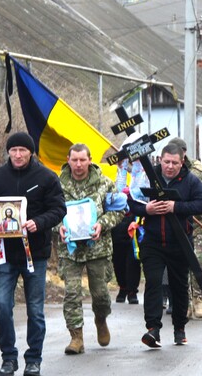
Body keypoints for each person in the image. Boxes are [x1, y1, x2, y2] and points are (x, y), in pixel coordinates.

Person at [0, 132, 66, 376]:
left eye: (22, 150)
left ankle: (33, 359)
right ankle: (8, 358)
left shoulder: (46, 177)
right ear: (8, 152)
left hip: (35, 254)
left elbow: (58, 209)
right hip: (4, 255)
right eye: (13, 150)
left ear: (31, 152)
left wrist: (39, 222)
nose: (17, 154)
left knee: (35, 309)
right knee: (2, 306)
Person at [128, 144, 202, 348]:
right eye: (166, 161)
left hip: (180, 242)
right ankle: (153, 329)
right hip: (152, 242)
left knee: (179, 286)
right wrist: (146, 209)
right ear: (160, 159)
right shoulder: (148, 176)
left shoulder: (190, 180)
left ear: (181, 162)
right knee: (154, 282)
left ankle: (179, 328)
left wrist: (178, 207)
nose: (170, 166)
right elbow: (131, 202)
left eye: (175, 163)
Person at [57, 143, 124, 355]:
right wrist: (57, 226)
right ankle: (76, 337)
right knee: (72, 293)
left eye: (82, 160)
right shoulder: (57, 185)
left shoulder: (104, 183)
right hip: (70, 249)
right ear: (67, 159)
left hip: (98, 248)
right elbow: (49, 212)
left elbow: (119, 210)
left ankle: (101, 318)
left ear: (90, 160)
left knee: (101, 294)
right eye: (74, 160)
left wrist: (102, 224)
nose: (78, 164)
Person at [168, 137, 202, 319]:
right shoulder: (166, 171)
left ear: (184, 153)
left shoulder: (199, 171)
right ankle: (184, 301)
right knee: (178, 264)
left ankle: (199, 298)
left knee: (197, 261)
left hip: (197, 224)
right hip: (174, 224)